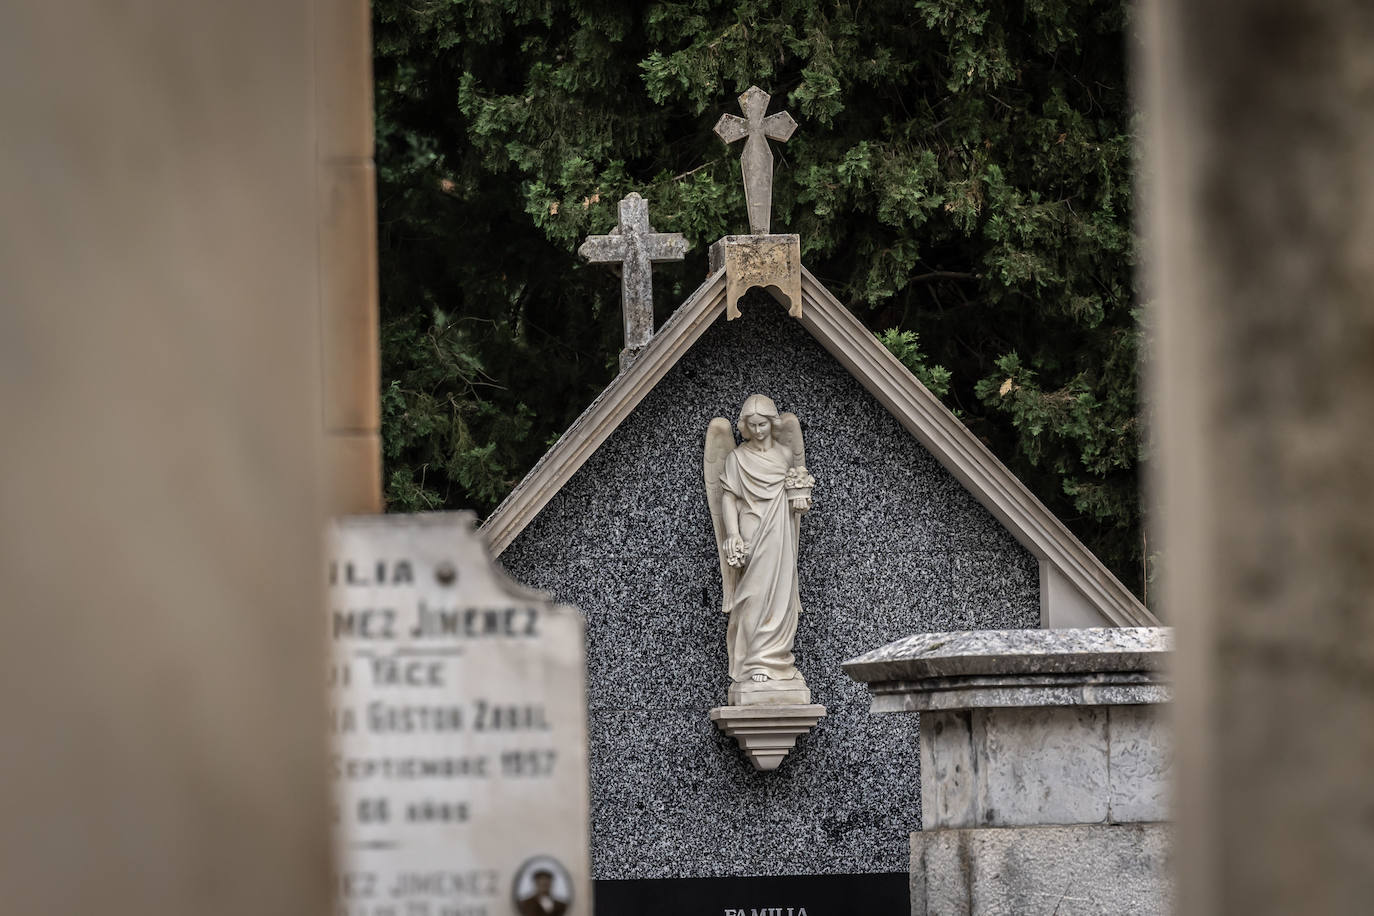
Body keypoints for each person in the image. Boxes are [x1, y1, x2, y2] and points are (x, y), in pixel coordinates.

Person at [716, 394, 812, 688]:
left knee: (781, 595)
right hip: (752, 528)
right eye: (753, 425)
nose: (758, 431)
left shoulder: (785, 454)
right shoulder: (737, 458)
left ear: (772, 423)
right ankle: (753, 660)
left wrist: (799, 500)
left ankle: (774, 660)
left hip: (780, 529)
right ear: (745, 426)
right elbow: (728, 498)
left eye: (763, 425)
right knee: (753, 596)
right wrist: (733, 534)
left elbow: (794, 490)